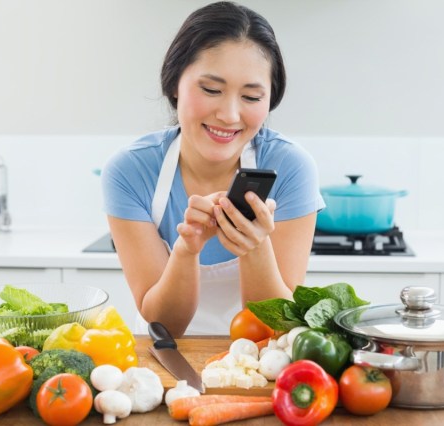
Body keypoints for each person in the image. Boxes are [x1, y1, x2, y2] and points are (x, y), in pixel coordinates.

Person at [101, 1, 324, 337]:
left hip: (259, 365)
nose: (230, 115)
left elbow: (278, 328)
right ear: (175, 84)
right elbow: (164, 325)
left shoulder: (291, 167)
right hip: (166, 359)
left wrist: (255, 248)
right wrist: (186, 249)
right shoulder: (130, 170)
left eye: (251, 97)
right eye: (211, 90)